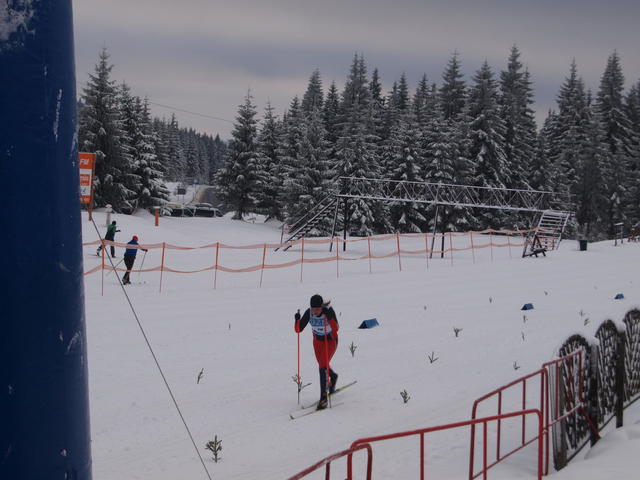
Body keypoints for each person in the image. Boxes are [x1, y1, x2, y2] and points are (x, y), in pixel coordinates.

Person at [294, 294, 339, 410]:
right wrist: (297, 320)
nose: (315, 311)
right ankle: (333, 376)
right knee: (322, 365)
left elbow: (336, 328)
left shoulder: (328, 311)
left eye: (317, 309)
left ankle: (323, 398)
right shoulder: (309, 312)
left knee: (322, 366)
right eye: (313, 308)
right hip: (317, 342)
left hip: (330, 341)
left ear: (321, 307)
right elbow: (298, 329)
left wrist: (329, 317)